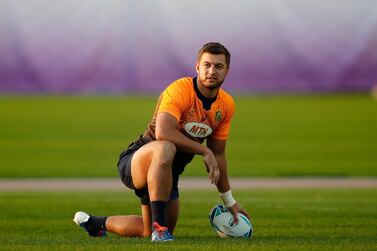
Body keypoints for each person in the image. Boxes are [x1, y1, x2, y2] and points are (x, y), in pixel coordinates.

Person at [73, 42, 251, 242]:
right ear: (197, 67)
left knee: (146, 229)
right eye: (207, 65)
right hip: (139, 160)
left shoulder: (226, 104)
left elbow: (218, 154)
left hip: (167, 174)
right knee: (165, 147)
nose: (211, 71)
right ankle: (160, 230)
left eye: (218, 66)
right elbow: (163, 132)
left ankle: (94, 223)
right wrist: (204, 151)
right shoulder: (180, 90)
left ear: (227, 70)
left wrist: (229, 201)